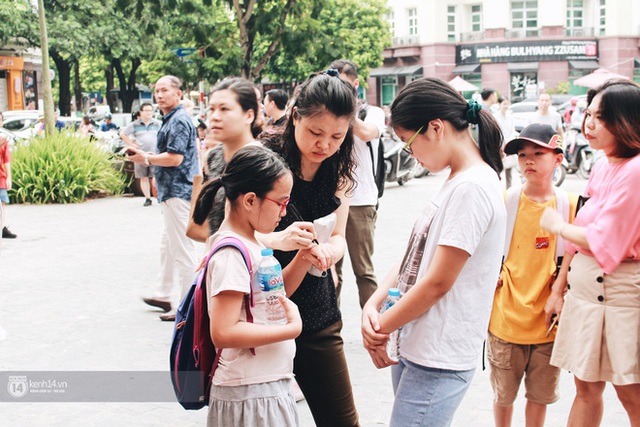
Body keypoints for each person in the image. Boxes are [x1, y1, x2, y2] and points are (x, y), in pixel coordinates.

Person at [361, 77, 506, 427]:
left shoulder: (471, 187)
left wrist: (380, 328)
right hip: (419, 345)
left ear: (436, 128)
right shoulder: (457, 179)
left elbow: (438, 282)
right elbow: (417, 252)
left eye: (408, 144)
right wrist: (374, 302)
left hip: (439, 357)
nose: (412, 155)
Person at [259, 70, 360, 426]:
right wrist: (278, 240)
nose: (325, 145)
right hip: (258, 315)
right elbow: (227, 237)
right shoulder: (263, 160)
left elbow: (340, 237)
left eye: (337, 136)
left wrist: (332, 251)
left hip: (316, 313)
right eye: (316, 133)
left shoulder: (341, 169)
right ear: (294, 117)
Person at [540, 79, 640, 427]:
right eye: (588, 114)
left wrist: (557, 224)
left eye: (602, 116)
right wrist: (558, 288)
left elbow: (604, 238)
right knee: (584, 385)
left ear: (627, 121)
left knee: (630, 393)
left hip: (621, 296)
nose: (589, 123)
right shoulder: (602, 164)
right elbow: (580, 237)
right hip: (585, 294)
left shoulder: (636, 170)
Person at [197, 145, 302, 427]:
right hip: (249, 393)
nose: (284, 212)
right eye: (280, 203)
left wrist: (304, 258)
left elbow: (270, 300)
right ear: (250, 201)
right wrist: (289, 330)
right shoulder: (231, 254)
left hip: (263, 385)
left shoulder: (251, 242)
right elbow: (224, 331)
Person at [489, 123, 578, 427]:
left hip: (549, 323)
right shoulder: (507, 201)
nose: (528, 160)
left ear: (557, 158)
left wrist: (562, 289)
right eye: (522, 154)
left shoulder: (570, 205)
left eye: (538, 153)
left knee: (539, 397)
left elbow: (578, 255)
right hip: (506, 321)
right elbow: (482, 249)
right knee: (503, 396)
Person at [127, 75, 199, 321]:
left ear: (179, 94)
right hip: (172, 191)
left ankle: (188, 308)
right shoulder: (172, 119)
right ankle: (164, 293)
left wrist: (146, 158)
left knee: (182, 251)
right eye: (156, 91)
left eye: (164, 90)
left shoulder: (178, 120)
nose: (159, 95)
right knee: (167, 247)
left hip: (178, 191)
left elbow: (175, 158)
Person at [330, 59, 386, 309]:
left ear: (355, 84)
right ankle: (329, 326)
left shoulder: (372, 112)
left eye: (342, 85)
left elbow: (365, 133)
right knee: (329, 271)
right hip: (330, 201)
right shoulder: (328, 111)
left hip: (361, 201)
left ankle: (373, 324)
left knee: (364, 271)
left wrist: (343, 109)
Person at [186, 77, 264, 243]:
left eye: (224, 109)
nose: (214, 117)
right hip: (218, 255)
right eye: (212, 109)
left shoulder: (260, 160)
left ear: (249, 115)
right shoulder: (213, 156)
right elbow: (200, 223)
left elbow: (267, 229)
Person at [121, 103, 161, 207]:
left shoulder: (157, 123)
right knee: (143, 177)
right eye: (146, 110)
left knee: (156, 176)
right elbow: (123, 134)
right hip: (140, 154)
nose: (149, 113)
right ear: (141, 112)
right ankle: (148, 198)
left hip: (155, 153)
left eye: (150, 110)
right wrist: (131, 144)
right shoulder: (135, 124)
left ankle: (159, 196)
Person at [493, 97, 517, 189]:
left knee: (509, 169)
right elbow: (497, 132)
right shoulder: (495, 116)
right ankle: (497, 189)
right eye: (504, 104)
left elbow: (512, 130)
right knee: (498, 168)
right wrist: (502, 144)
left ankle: (509, 189)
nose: (506, 106)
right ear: (499, 105)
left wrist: (509, 142)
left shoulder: (510, 116)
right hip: (499, 146)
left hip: (508, 145)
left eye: (507, 104)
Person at [0, 134, 16, 239]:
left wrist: (9, 177)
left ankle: (3, 227)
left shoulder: (3, 141)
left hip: (0, 176)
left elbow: (6, 160)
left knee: (2, 202)